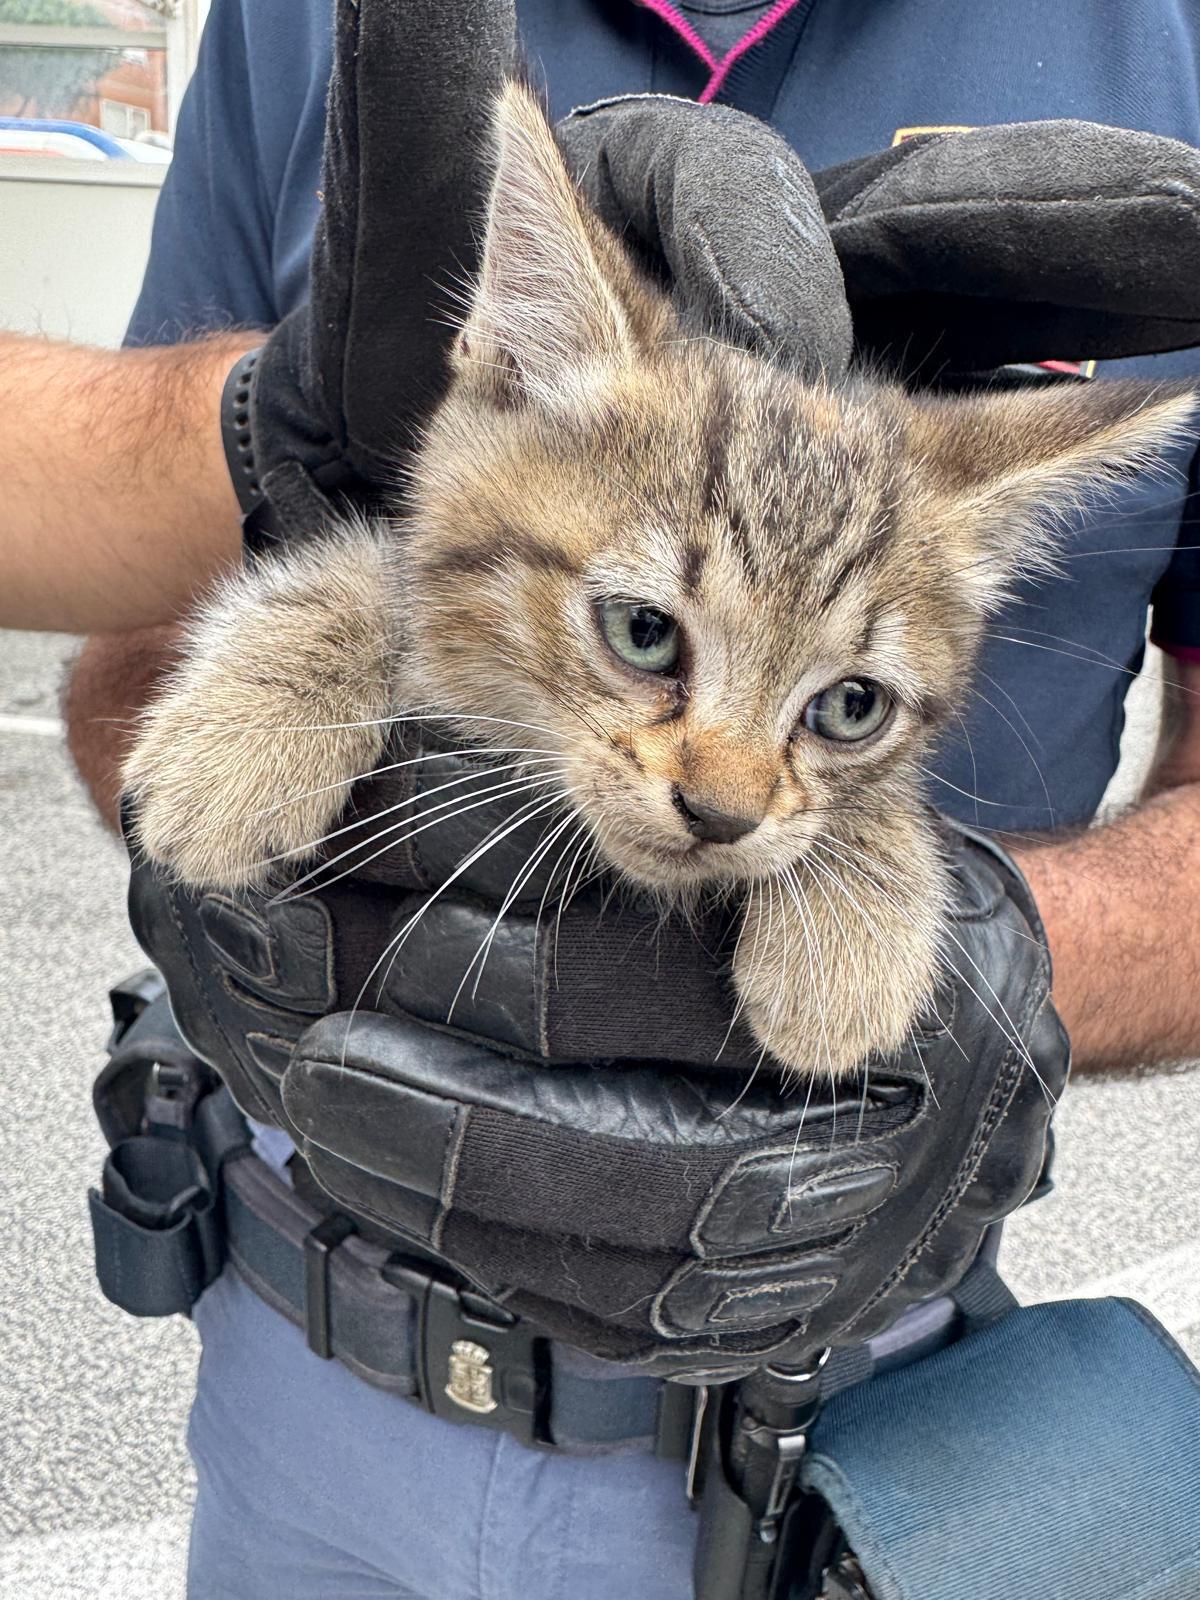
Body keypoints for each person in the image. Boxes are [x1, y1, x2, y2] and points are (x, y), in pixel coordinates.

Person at [3, 1, 1200, 1595]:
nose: (725, 790)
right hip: (307, 1374)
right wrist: (332, 612)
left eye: (843, 706)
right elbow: (142, 689)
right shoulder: (307, 26)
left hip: (828, 1418)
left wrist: (972, 942)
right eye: (649, 634)